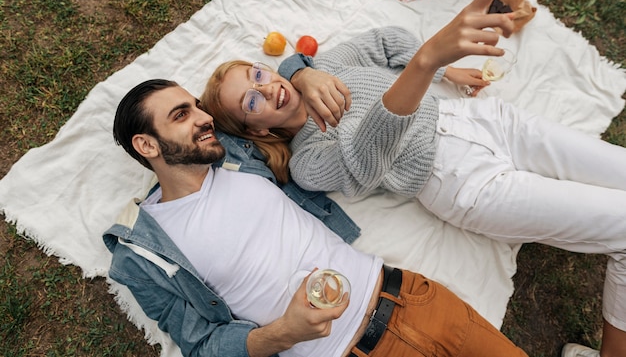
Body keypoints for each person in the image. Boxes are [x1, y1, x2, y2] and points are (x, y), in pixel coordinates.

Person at [200, 0, 626, 357]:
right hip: (462, 182)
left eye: (258, 75)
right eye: (250, 101)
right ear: (255, 131)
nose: (266, 88)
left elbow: (384, 42)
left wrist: (445, 74)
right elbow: (368, 156)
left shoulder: (326, 68)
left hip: (487, 121)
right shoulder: (306, 164)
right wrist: (427, 63)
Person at [103, 78, 528, 357]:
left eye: (196, 106)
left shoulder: (234, 152)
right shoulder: (140, 256)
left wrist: (303, 77)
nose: (203, 117)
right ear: (147, 145)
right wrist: (284, 332)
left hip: (413, 298)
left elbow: (268, 83)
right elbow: (200, 346)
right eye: (181, 115)